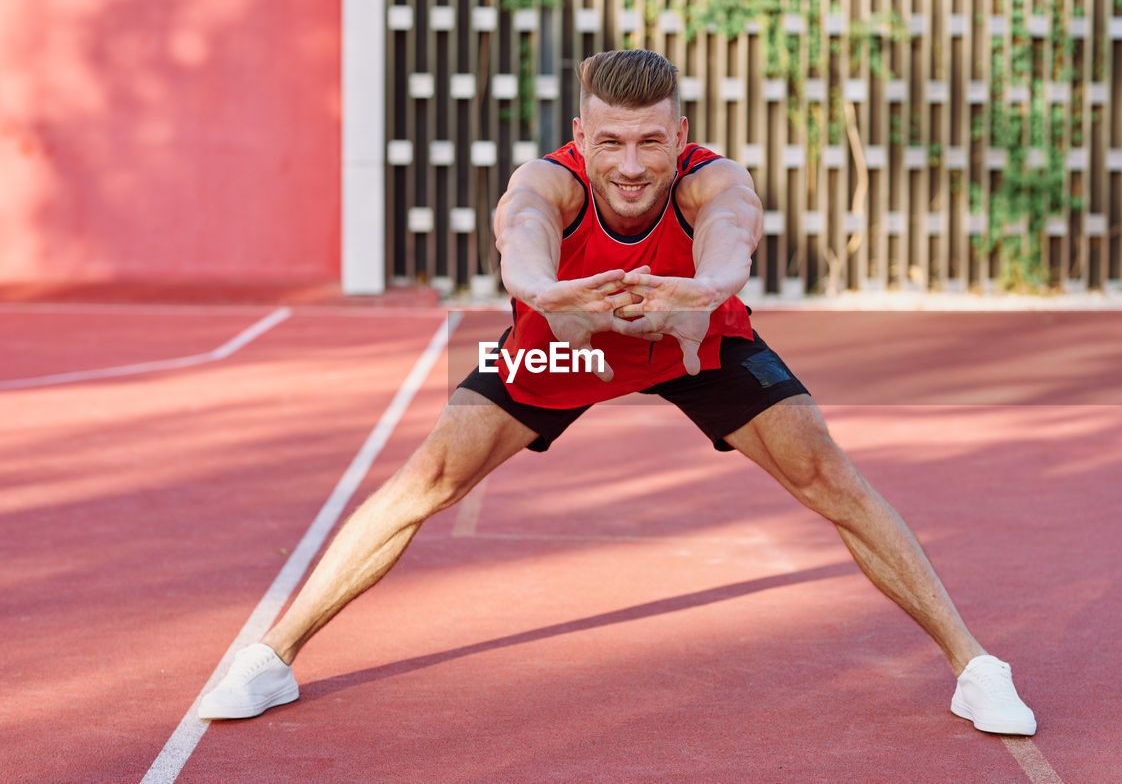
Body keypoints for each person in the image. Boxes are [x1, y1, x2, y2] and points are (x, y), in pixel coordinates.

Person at [198, 49, 1037, 736]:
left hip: (695, 342)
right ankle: (272, 657)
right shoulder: (548, 181)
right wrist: (544, 292)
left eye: (649, 142)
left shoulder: (714, 178)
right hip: (571, 345)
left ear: (681, 135)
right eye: (610, 143)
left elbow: (730, 236)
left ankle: (973, 665)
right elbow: (520, 230)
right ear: (580, 135)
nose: (630, 166)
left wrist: (702, 292)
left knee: (828, 474)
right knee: (427, 480)